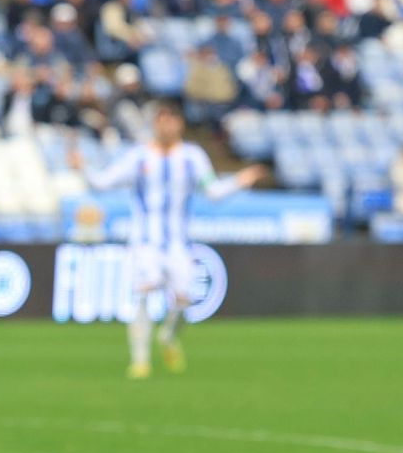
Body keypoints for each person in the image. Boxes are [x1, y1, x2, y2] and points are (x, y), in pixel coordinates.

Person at [70, 101, 265, 378]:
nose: (166, 125)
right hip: (145, 242)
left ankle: (168, 337)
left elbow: (213, 191)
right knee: (143, 293)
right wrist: (83, 168)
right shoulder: (138, 157)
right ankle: (140, 360)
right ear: (155, 124)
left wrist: (239, 181)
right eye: (161, 120)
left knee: (184, 299)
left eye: (171, 120)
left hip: (178, 243)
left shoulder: (192, 157)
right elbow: (102, 183)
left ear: (180, 124)